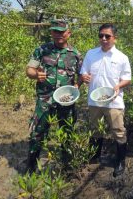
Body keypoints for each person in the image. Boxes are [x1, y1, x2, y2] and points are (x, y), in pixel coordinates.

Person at [26, 19, 83, 173]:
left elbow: (81, 75)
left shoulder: (75, 54)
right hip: (45, 99)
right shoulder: (42, 50)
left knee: (67, 132)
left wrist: (78, 85)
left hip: (66, 101)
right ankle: (31, 168)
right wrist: (36, 75)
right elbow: (29, 70)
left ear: (68, 33)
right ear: (51, 32)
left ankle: (67, 168)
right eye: (55, 31)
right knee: (37, 133)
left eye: (61, 32)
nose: (58, 35)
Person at [80, 23, 131, 177]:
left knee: (118, 131)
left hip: (114, 101)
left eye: (107, 36)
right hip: (94, 100)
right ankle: (94, 156)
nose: (103, 39)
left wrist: (118, 86)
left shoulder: (121, 57)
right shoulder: (91, 54)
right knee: (95, 129)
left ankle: (120, 161)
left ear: (115, 38)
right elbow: (83, 72)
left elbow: (127, 78)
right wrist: (84, 76)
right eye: (101, 35)